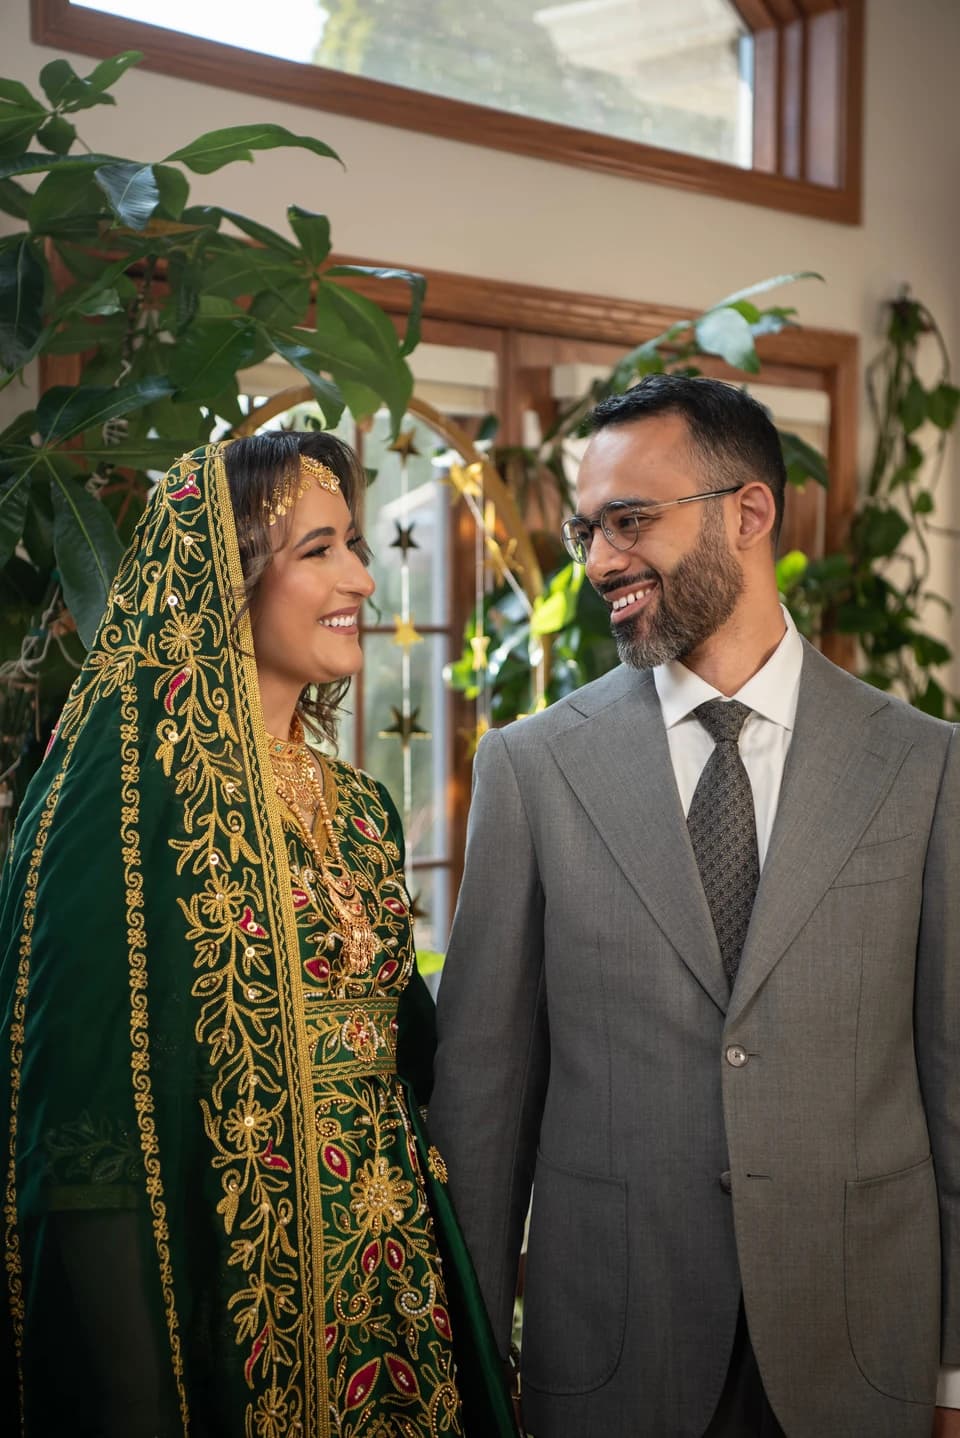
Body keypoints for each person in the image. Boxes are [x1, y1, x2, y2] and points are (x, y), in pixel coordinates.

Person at [430, 374, 960, 1438]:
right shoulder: (530, 770)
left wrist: (955, 1378)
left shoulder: (925, 764)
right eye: (589, 530)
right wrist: (473, 1378)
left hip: (865, 1357)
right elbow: (482, 1104)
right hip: (612, 1358)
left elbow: (953, 1084)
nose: (597, 563)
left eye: (630, 521)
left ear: (749, 513)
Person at [0, 433, 515, 1437]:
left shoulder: (361, 809)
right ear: (224, 578)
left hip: (394, 1276)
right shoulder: (125, 807)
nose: (362, 578)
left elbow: (408, 1058)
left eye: (356, 546)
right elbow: (82, 1134)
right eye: (318, 550)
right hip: (227, 1292)